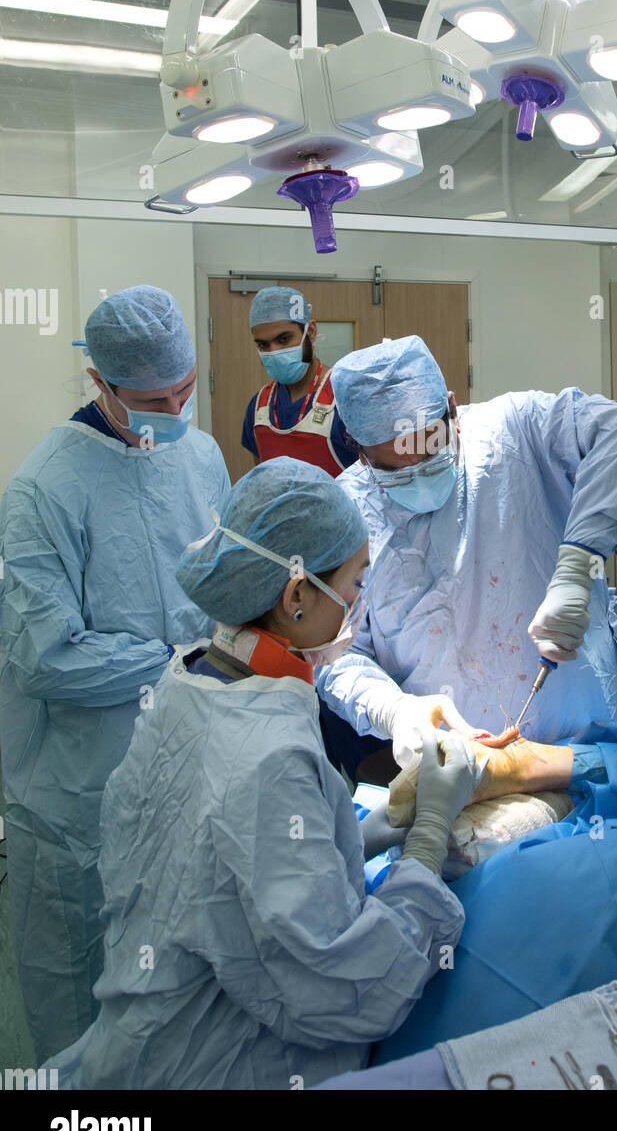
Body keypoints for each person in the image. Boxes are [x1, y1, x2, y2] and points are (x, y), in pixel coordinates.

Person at [43, 460, 480, 1089]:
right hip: (220, 1064)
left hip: (141, 1039)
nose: (360, 603)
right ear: (296, 595)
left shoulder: (191, 680)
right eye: (355, 584)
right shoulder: (271, 750)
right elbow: (342, 986)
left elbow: (227, 877)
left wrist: (371, 830)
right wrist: (429, 836)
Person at [0, 285, 230, 1061]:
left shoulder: (199, 454)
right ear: (100, 382)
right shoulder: (44, 491)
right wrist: (178, 663)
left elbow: (222, 581)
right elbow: (47, 654)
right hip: (78, 795)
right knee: (79, 994)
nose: (176, 407)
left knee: (179, 977)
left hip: (186, 764)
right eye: (154, 397)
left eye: (187, 388)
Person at [316, 334, 617, 762]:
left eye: (431, 454)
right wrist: (392, 709)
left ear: (453, 409)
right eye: (394, 471)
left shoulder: (518, 430)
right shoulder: (345, 511)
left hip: (587, 731)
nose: (417, 474)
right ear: (358, 447)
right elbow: (336, 653)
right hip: (460, 760)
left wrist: (579, 562)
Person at [241, 286, 357, 476]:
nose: (274, 352)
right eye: (263, 345)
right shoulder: (258, 409)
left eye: (284, 339)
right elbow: (262, 481)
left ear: (310, 331)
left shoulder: (345, 400)